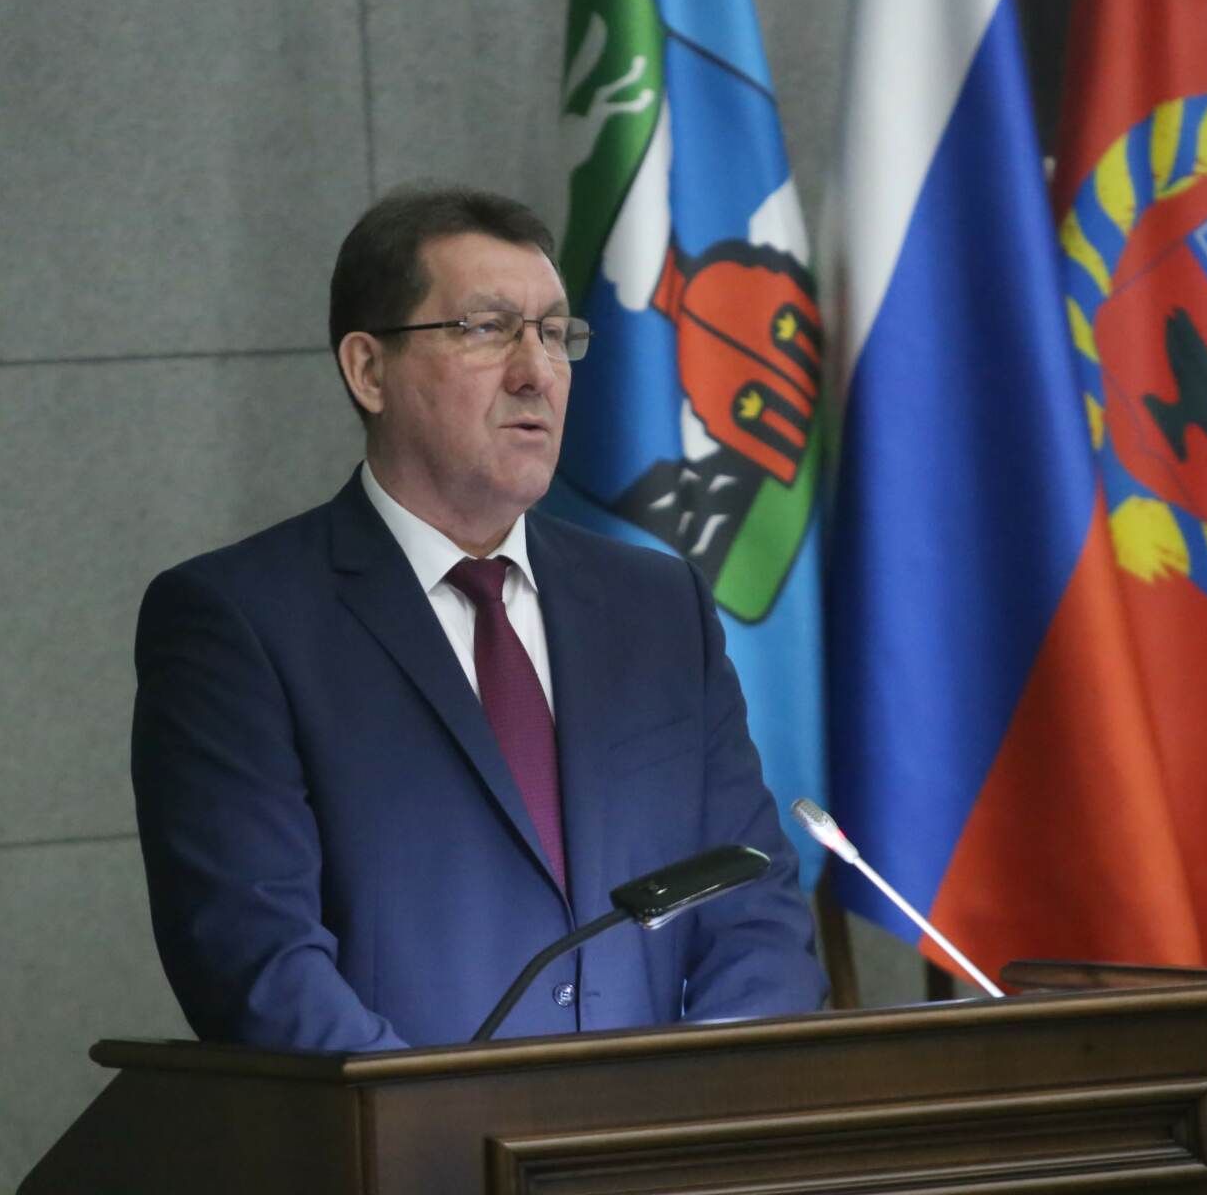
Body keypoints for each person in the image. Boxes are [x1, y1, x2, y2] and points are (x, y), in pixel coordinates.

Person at [130, 185, 826, 1051]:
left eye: (555, 333)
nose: (536, 372)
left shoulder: (658, 609)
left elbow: (754, 912)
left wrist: (699, 1110)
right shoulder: (237, 623)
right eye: (487, 329)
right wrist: (445, 1122)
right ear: (369, 370)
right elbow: (257, 963)